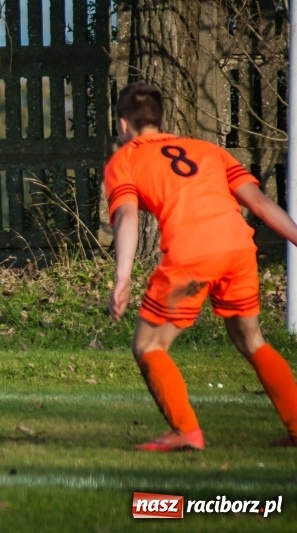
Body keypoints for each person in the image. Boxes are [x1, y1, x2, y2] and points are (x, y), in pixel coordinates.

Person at [104, 81, 297, 451]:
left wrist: (122, 276)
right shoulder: (208, 150)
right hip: (239, 248)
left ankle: (186, 432)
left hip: (192, 255)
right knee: (251, 339)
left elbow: (127, 216)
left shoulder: (123, 161)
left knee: (149, 345)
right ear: (160, 120)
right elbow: (258, 204)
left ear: (123, 125)